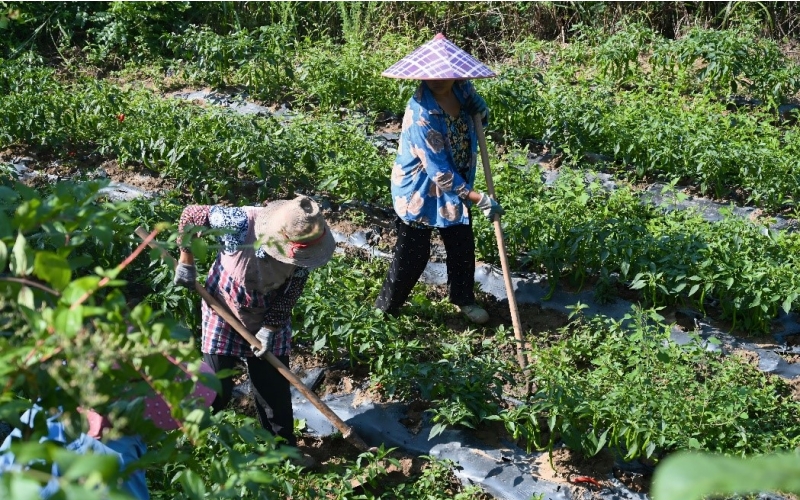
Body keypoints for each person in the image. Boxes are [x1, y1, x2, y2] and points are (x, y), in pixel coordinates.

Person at [173, 195, 335, 451]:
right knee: (216, 386)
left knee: (274, 392)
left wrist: (270, 328)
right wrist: (186, 260)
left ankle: (283, 452)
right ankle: (187, 443)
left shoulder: (308, 245)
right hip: (223, 307)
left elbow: (290, 293)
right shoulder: (240, 222)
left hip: (268, 312)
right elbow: (191, 214)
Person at [375, 34, 504, 324]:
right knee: (413, 254)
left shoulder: (462, 89)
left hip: (457, 178)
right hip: (420, 187)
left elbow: (481, 113)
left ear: (454, 73)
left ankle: (463, 298)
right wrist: (479, 198)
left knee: (461, 244)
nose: (434, 80)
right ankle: (385, 309)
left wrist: (480, 111)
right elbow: (440, 174)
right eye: (428, 76)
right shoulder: (421, 112)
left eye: (442, 75)